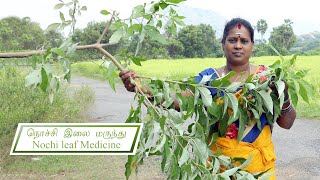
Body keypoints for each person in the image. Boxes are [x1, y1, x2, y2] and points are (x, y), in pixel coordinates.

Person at [119, 18, 296, 179]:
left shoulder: (265, 78)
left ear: (252, 45)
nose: (238, 46)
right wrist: (141, 88)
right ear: (223, 44)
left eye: (244, 41)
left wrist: (284, 94)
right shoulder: (210, 79)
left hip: (260, 169)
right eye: (232, 40)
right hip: (219, 169)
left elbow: (287, 123)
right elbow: (179, 101)